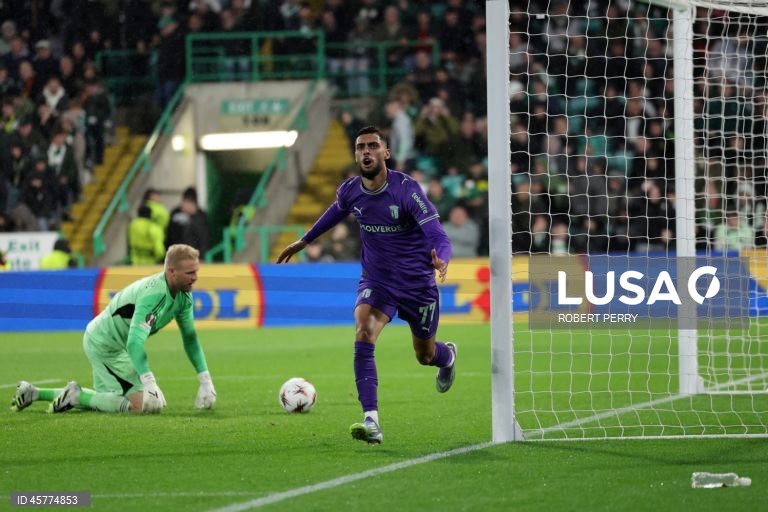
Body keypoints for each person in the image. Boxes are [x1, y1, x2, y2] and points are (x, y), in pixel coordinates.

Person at [276, 126, 457, 445]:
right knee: (363, 332)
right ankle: (371, 420)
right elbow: (335, 212)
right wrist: (305, 240)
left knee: (425, 355)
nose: (366, 151)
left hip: (417, 285)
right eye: (360, 147)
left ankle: (448, 356)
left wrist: (442, 257)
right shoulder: (350, 190)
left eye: (373, 146)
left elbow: (437, 234)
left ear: (386, 152)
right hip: (378, 281)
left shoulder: (406, 190)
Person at [11, 244, 217, 414]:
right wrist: (149, 382)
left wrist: (205, 380)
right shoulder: (154, 295)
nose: (195, 277)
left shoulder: (183, 297)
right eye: (190, 273)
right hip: (105, 345)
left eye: (196, 271)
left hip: (114, 344)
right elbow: (134, 342)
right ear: (171, 271)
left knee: (123, 400)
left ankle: (34, 393)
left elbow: (190, 338)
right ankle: (75, 396)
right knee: (142, 407)